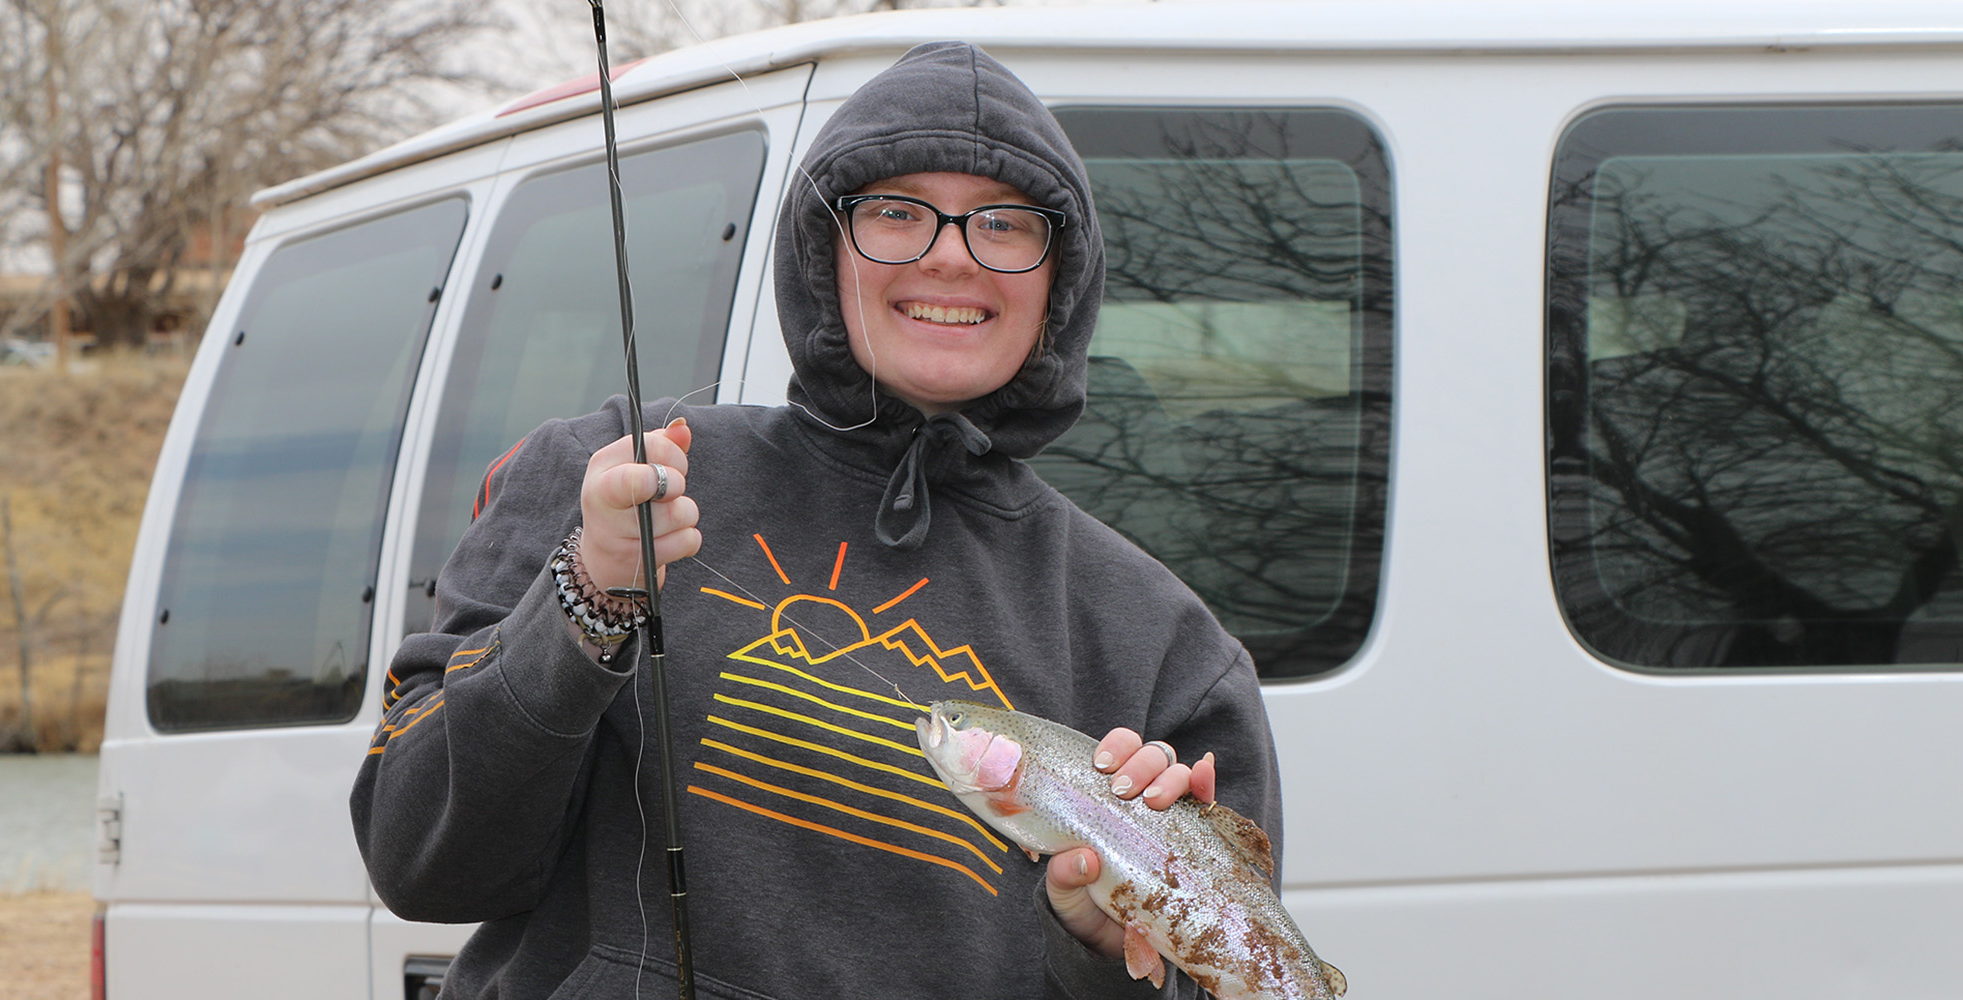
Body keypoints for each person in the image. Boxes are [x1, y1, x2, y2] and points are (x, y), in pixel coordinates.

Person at [352, 41, 1281, 1000]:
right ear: (824, 250)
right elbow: (418, 860)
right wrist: (582, 608)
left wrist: (1097, 951)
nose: (950, 254)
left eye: (1004, 224)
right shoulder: (613, 476)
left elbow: (1231, 977)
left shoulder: (1170, 651)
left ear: (1062, 277)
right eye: (894, 212)